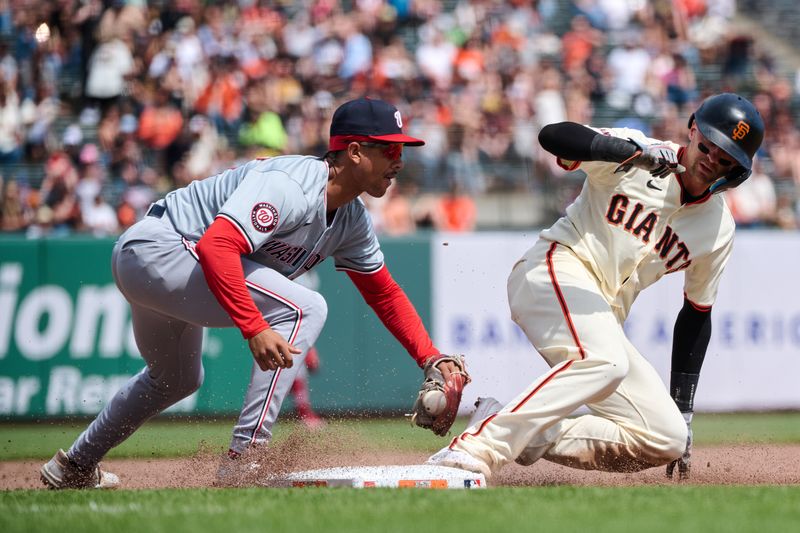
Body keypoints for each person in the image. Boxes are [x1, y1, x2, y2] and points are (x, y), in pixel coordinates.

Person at [40, 97, 469, 489]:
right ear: (355, 151)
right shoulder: (292, 185)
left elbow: (384, 292)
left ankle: (74, 465)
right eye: (390, 150)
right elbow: (217, 245)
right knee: (305, 307)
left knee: (176, 378)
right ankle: (244, 458)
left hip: (162, 264)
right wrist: (253, 325)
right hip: (162, 247)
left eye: (402, 151)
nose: (399, 162)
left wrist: (430, 357)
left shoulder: (352, 219)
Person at [428, 93, 764, 481]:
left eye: (725, 158)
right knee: (607, 361)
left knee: (665, 436)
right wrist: (629, 152)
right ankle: (478, 447)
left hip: (600, 318)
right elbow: (554, 136)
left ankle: (515, 427)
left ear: (736, 170)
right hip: (553, 270)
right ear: (692, 130)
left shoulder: (718, 228)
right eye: (708, 145)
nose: (711, 160)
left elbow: (696, 315)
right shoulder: (637, 151)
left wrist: (684, 412)